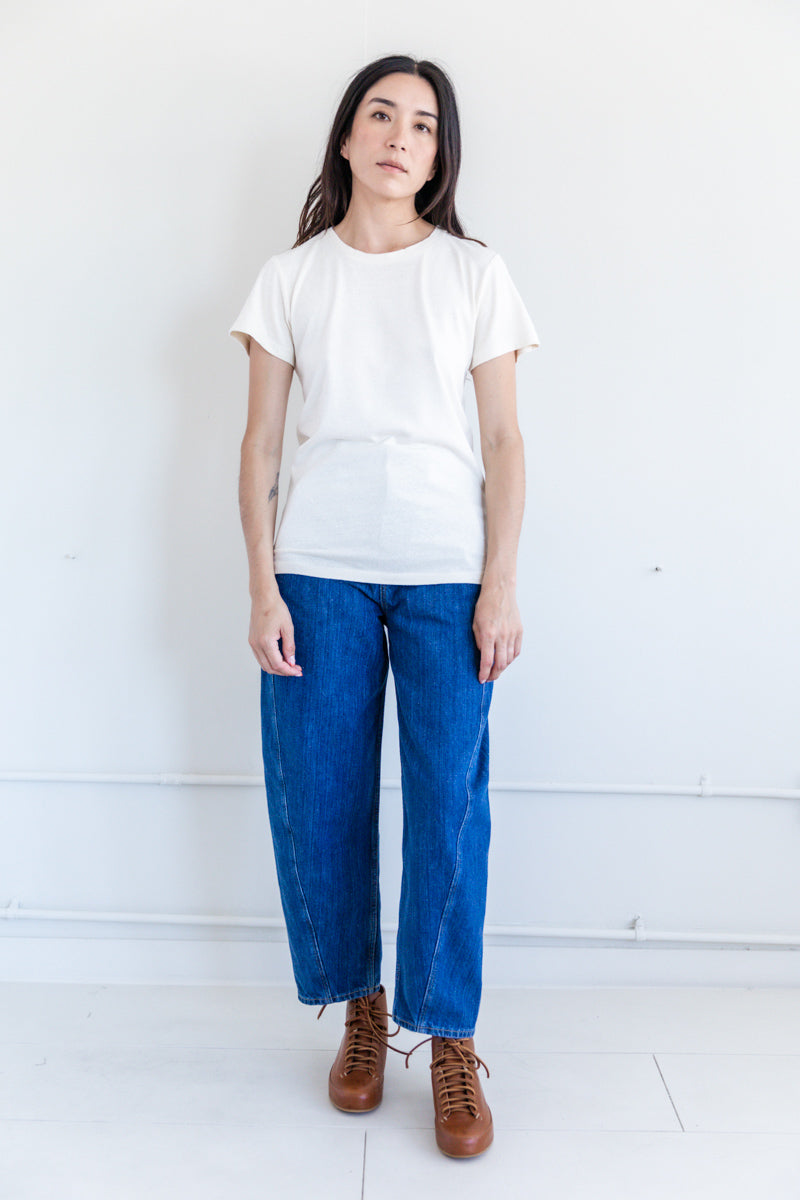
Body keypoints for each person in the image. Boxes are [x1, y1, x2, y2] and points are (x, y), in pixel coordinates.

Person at [229, 53, 539, 1159]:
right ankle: (360, 1009)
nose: (402, 136)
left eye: (424, 124)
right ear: (349, 136)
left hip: (447, 571)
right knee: (321, 799)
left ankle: (446, 1035)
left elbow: (503, 440)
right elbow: (259, 446)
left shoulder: (473, 274)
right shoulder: (291, 278)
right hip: (316, 569)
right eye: (382, 115)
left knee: (450, 808)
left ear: (439, 154)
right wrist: (261, 584)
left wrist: (500, 581)